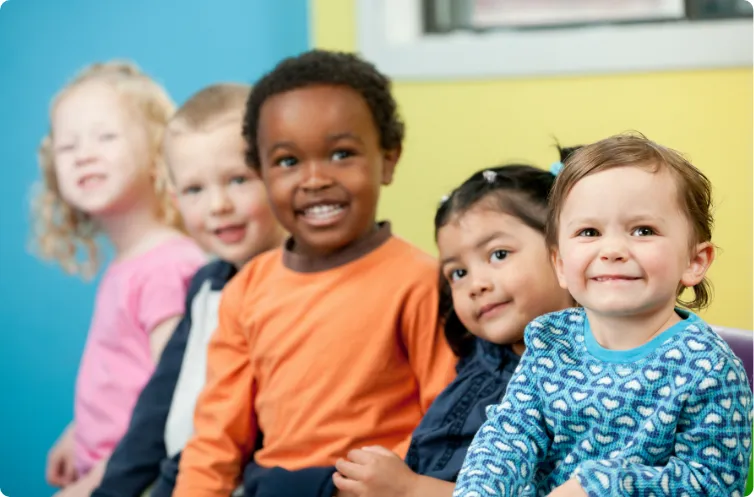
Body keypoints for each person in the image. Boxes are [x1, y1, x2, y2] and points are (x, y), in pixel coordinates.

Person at [173, 50, 457, 497]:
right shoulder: (246, 289)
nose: (315, 179)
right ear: (261, 172)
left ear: (387, 158)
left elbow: (446, 416)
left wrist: (380, 478)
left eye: (342, 154)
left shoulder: (422, 280)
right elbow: (216, 437)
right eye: (288, 162)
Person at [454, 134, 753, 496]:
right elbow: (510, 433)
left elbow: (714, 483)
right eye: (589, 232)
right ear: (561, 265)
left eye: (643, 230)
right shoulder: (550, 339)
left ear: (693, 261)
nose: (611, 250)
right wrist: (479, 490)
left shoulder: (709, 368)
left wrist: (602, 487)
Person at [332, 161, 575, 497]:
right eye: (457, 273)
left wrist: (409, 489)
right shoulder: (480, 359)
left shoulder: (577, 384)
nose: (475, 285)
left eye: (498, 254)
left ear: (564, 250)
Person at [91, 83, 285, 497]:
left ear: (277, 173)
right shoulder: (205, 286)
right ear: (175, 199)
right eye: (196, 189)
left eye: (237, 180)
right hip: (186, 475)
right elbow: (160, 401)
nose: (218, 205)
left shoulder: (297, 283)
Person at [34, 61, 206, 496]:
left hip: (141, 478)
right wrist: (80, 432)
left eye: (105, 136)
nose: (84, 153)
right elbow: (128, 376)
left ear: (155, 151)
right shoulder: (131, 261)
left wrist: (100, 479)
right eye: (67, 145)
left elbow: (178, 399)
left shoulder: (166, 266)